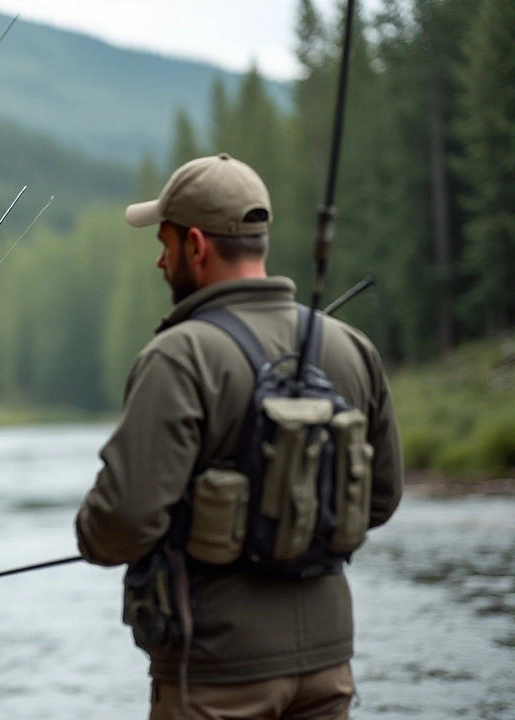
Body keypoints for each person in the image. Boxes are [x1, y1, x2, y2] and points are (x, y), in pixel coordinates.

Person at [75, 154, 403, 720]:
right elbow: (381, 499)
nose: (159, 258)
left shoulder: (179, 356)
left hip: (216, 672)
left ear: (196, 246)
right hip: (329, 666)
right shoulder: (351, 347)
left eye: (166, 241)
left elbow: (119, 525)